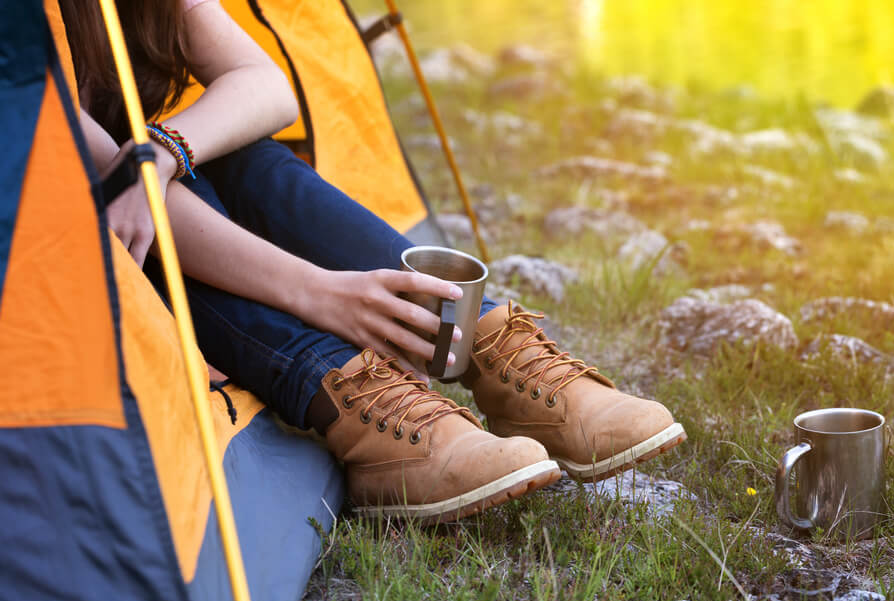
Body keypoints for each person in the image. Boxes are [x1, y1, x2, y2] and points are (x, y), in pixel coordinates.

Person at [61, 0, 686, 521]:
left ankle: (486, 347)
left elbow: (269, 89)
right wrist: (319, 292)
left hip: (141, 198)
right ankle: (352, 399)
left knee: (225, 150)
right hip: (61, 250)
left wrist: (164, 149)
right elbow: (110, 192)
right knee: (140, 190)